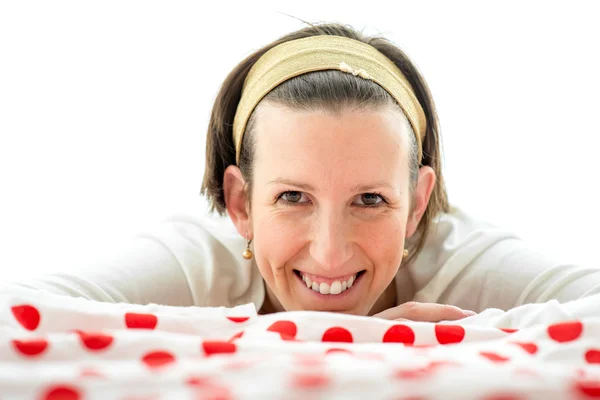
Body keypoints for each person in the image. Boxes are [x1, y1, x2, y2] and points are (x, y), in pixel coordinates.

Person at [6, 22, 600, 322]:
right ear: (240, 204)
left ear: (418, 203)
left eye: (370, 200)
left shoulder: (467, 263)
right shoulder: (197, 261)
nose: (331, 253)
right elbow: (18, 308)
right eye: (293, 196)